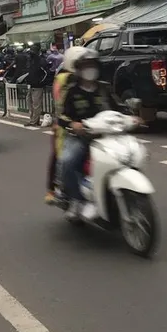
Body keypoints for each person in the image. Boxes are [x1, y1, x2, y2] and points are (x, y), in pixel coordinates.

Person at [56, 48, 112, 220]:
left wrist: (134, 117)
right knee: (67, 161)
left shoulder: (104, 89)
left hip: (107, 136)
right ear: (79, 69)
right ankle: (76, 200)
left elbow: (119, 108)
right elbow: (61, 115)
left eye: (92, 65)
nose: (90, 69)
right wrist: (73, 124)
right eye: (86, 66)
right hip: (80, 137)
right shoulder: (72, 91)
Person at [45, 46, 87, 204]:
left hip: (92, 124)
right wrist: (67, 120)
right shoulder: (63, 79)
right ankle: (53, 188)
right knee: (61, 157)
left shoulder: (92, 79)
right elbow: (60, 101)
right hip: (67, 124)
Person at [24, 45, 47, 127]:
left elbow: (46, 73)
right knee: (30, 103)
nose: (30, 54)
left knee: (36, 105)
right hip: (31, 85)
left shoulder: (41, 61)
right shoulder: (31, 61)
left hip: (37, 86)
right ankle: (33, 120)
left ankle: (34, 122)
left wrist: (40, 82)